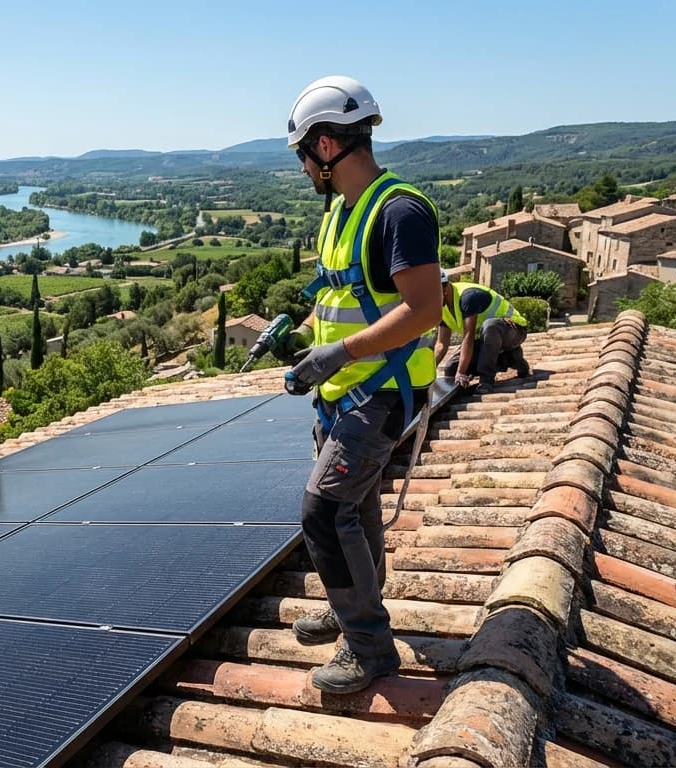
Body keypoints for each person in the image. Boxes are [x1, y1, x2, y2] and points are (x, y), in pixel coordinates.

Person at [281, 75, 442, 694]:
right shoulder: (342, 210)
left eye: (302, 154)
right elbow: (344, 294)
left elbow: (424, 308)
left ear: (324, 147)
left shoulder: (398, 210)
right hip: (344, 388)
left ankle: (369, 647)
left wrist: (336, 354)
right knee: (359, 506)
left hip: (381, 391)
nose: (302, 168)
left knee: (324, 511)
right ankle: (353, 605)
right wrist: (303, 336)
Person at [435, 272, 530, 394]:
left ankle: (486, 380)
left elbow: (468, 337)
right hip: (485, 340)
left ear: (444, 290)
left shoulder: (468, 297)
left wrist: (461, 372)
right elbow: (441, 344)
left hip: (513, 331)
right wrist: (428, 374)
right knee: (450, 370)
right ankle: (509, 358)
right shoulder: (440, 307)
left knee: (490, 326)